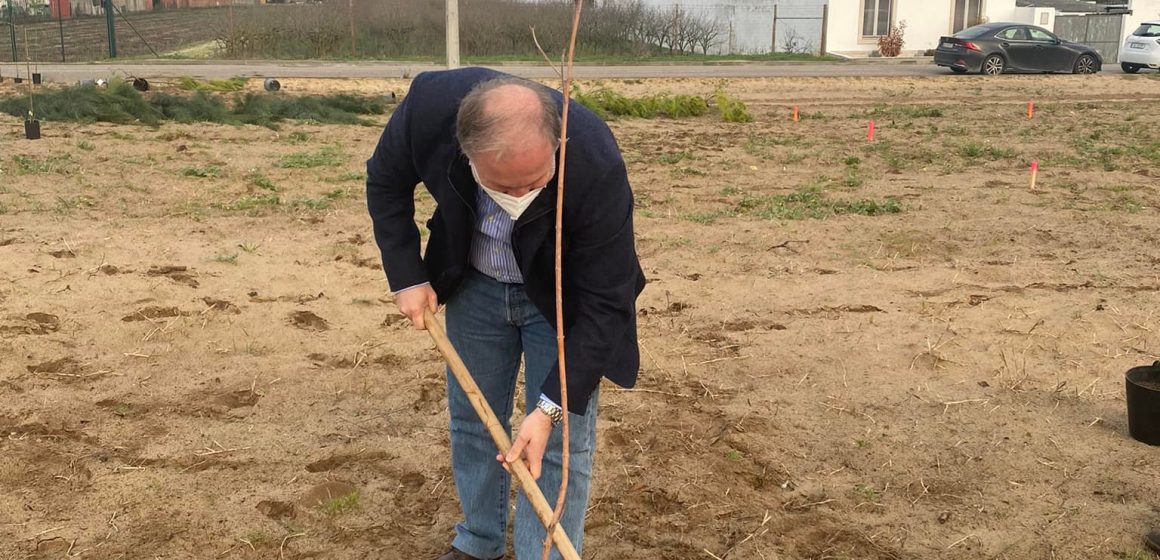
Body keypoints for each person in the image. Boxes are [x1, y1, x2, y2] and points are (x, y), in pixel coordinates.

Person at [366, 67, 645, 560]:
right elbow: (385, 182)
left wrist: (548, 408)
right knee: (474, 420)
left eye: (534, 183)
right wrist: (407, 275)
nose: (519, 197)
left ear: (556, 145)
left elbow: (608, 299)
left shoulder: (593, 157)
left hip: (563, 296)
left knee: (560, 439)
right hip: (475, 282)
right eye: (502, 186)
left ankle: (548, 554)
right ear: (465, 153)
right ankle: (479, 541)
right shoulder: (428, 111)